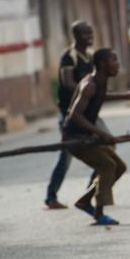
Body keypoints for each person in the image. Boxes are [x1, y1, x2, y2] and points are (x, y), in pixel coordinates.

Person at [62, 48, 130, 225]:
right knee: (107, 166)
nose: (118, 64)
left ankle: (84, 201)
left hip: (88, 136)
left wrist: (124, 95)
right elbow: (74, 115)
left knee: (119, 166)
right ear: (103, 64)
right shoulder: (89, 84)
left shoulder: (99, 82)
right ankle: (99, 213)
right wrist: (101, 133)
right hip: (75, 139)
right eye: (114, 61)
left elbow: (99, 96)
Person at [44, 21, 95, 209]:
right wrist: (88, 91)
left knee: (108, 149)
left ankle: (91, 192)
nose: (89, 37)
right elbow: (67, 83)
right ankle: (51, 197)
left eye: (90, 33)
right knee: (66, 158)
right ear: (75, 36)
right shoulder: (69, 57)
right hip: (69, 115)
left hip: (88, 114)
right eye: (84, 34)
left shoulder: (90, 56)